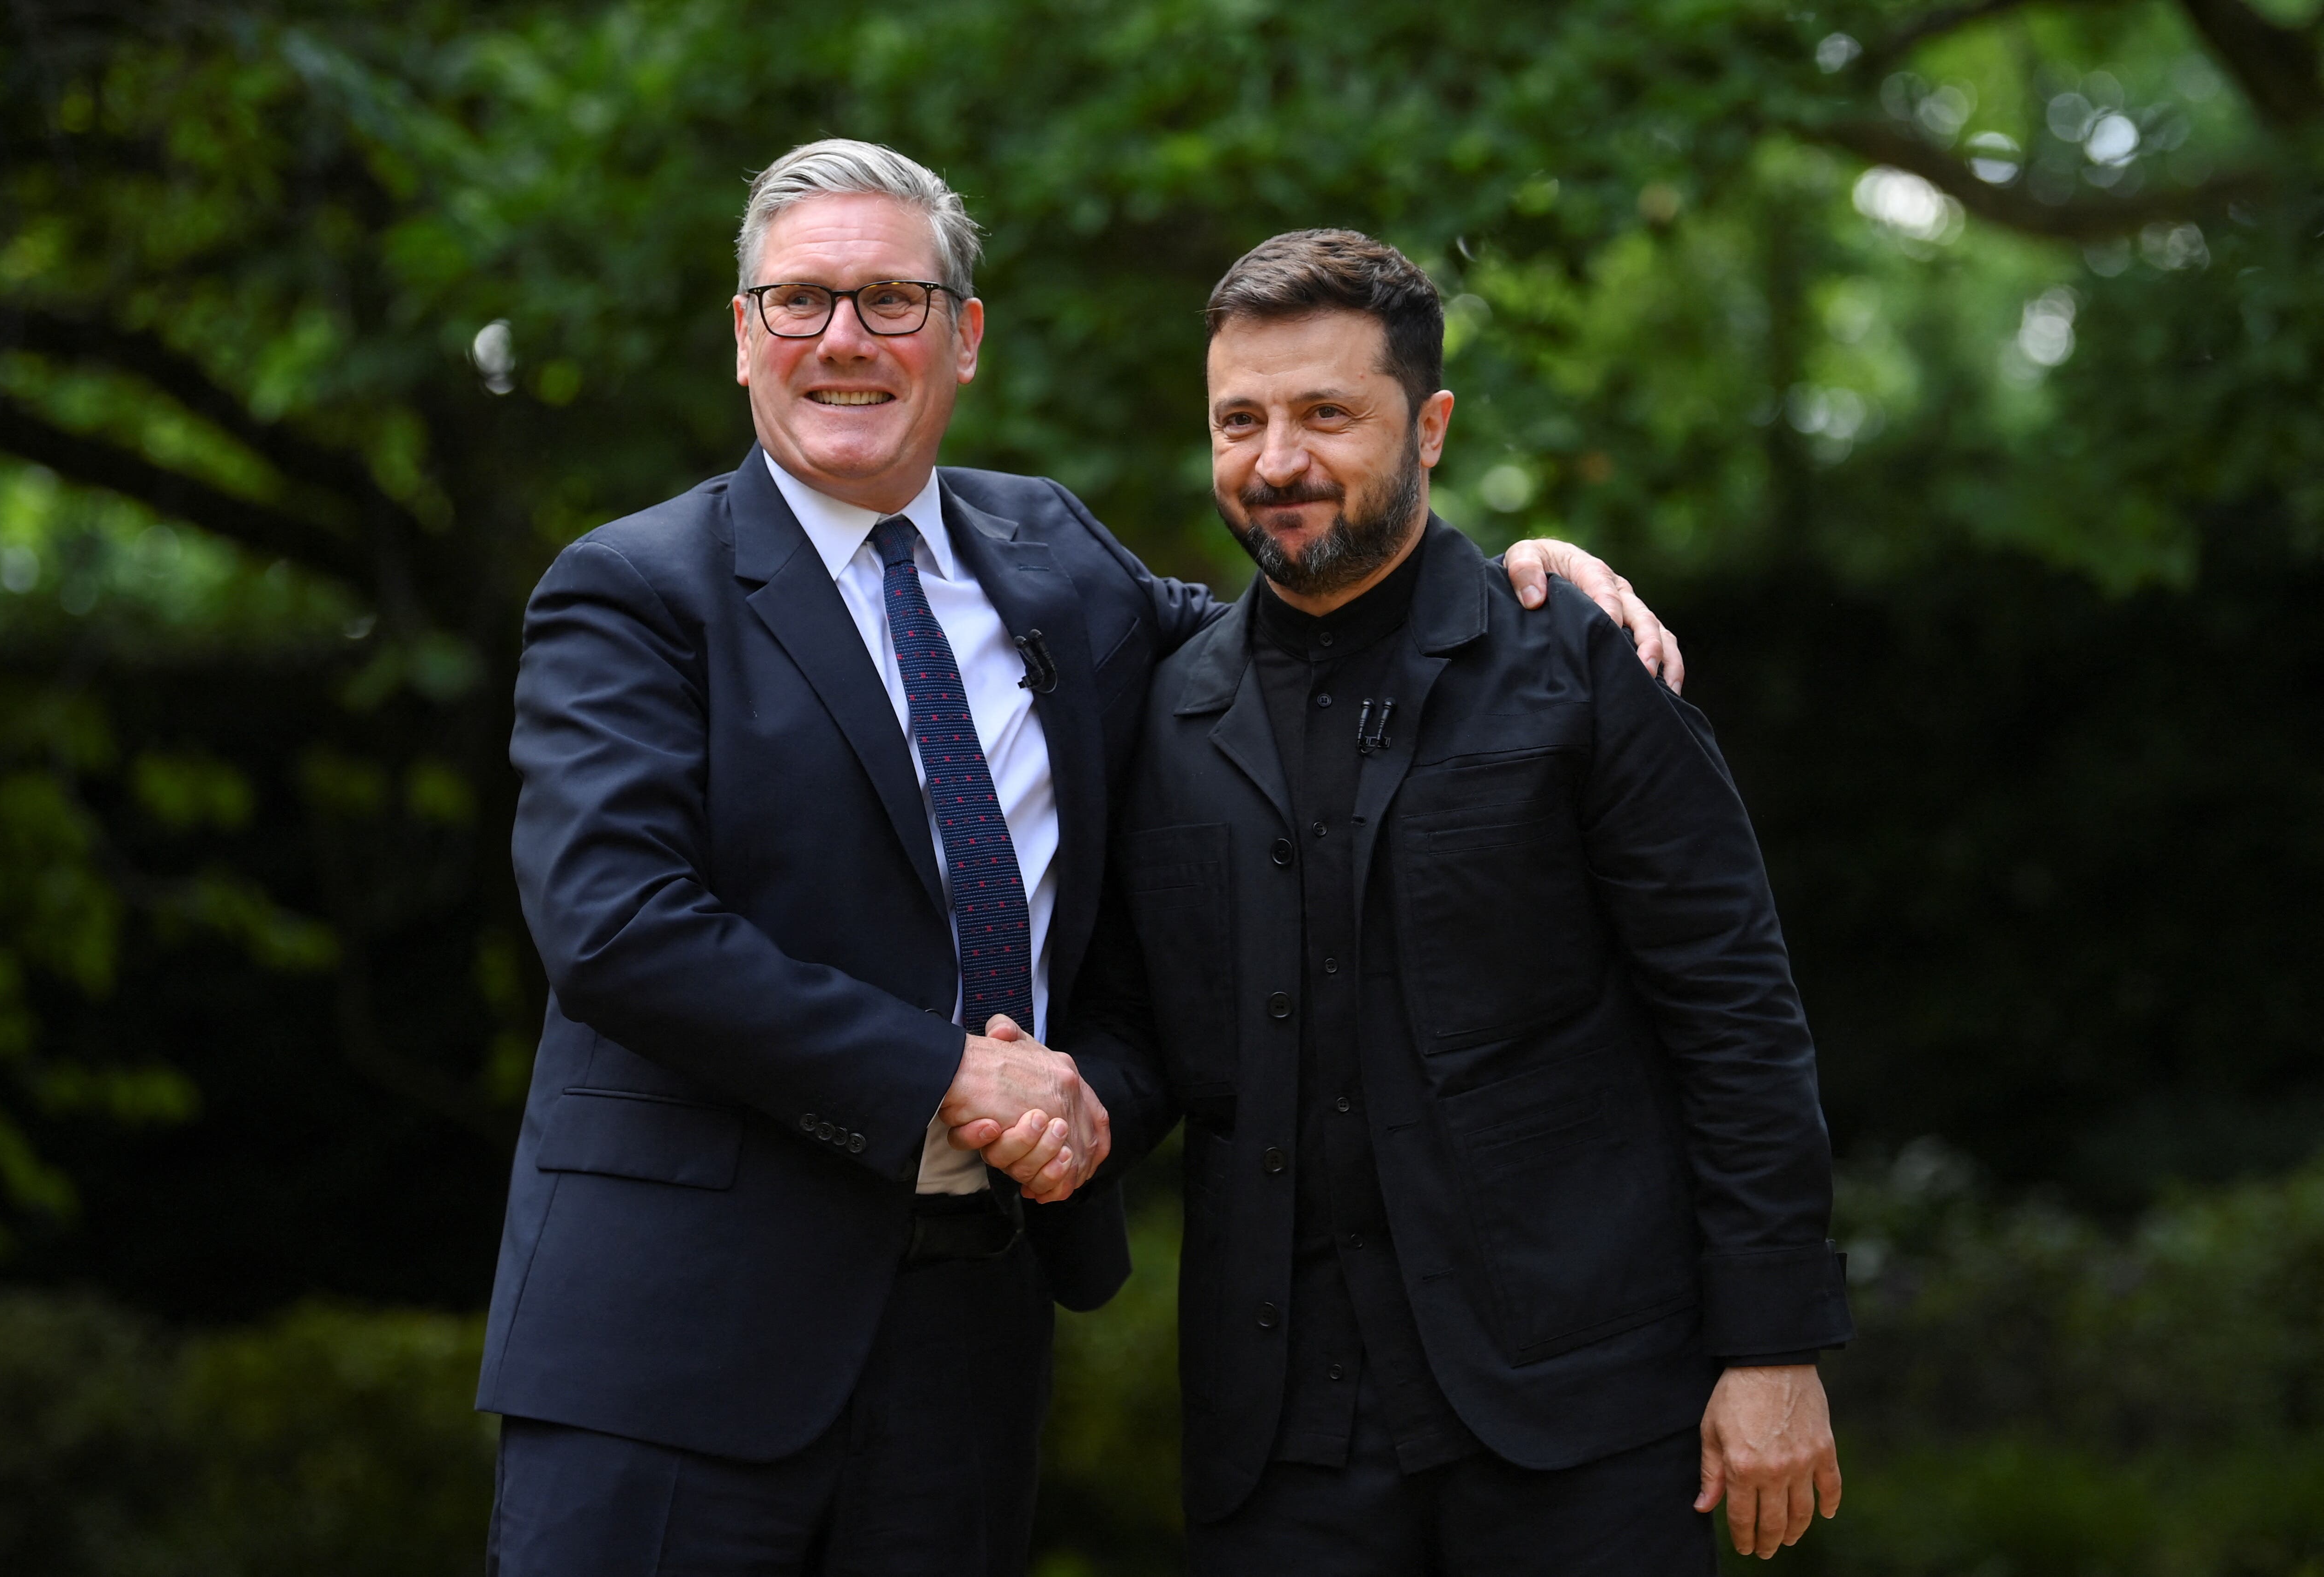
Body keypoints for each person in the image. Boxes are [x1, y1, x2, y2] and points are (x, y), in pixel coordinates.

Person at [475, 143, 1675, 1576]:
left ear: (965, 338)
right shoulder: (631, 591)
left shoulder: (1053, 553)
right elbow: (615, 926)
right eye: (799, 302)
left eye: (892, 300)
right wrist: (947, 1074)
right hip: (669, 1355)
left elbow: (1294, 643)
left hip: (965, 1349)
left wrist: (1512, 584)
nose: (844, 339)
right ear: (744, 336)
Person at [1035, 230, 1852, 1574]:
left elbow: (1736, 1016)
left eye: (1327, 415)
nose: (1276, 462)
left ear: (1431, 427)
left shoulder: (1579, 662)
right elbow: (1143, 1027)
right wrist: (1056, 1109)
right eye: (1239, 421)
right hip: (1279, 1445)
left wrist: (1774, 1347)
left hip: (1587, 1418)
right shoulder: (1164, 712)